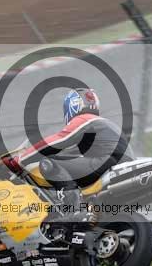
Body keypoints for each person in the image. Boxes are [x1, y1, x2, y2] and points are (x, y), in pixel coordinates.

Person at [13, 88, 134, 221]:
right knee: (64, 164)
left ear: (72, 106)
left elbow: (57, 141)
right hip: (121, 163)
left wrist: (21, 158)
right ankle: (89, 213)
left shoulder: (84, 119)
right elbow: (69, 153)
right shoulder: (102, 124)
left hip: (108, 161)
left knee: (50, 163)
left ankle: (73, 209)